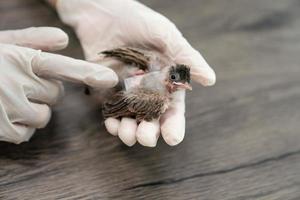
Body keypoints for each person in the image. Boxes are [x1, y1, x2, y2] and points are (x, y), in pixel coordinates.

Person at [0, 0, 216, 147]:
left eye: (179, 82)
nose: (179, 85)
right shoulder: (155, 83)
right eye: (177, 80)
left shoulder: (156, 77)